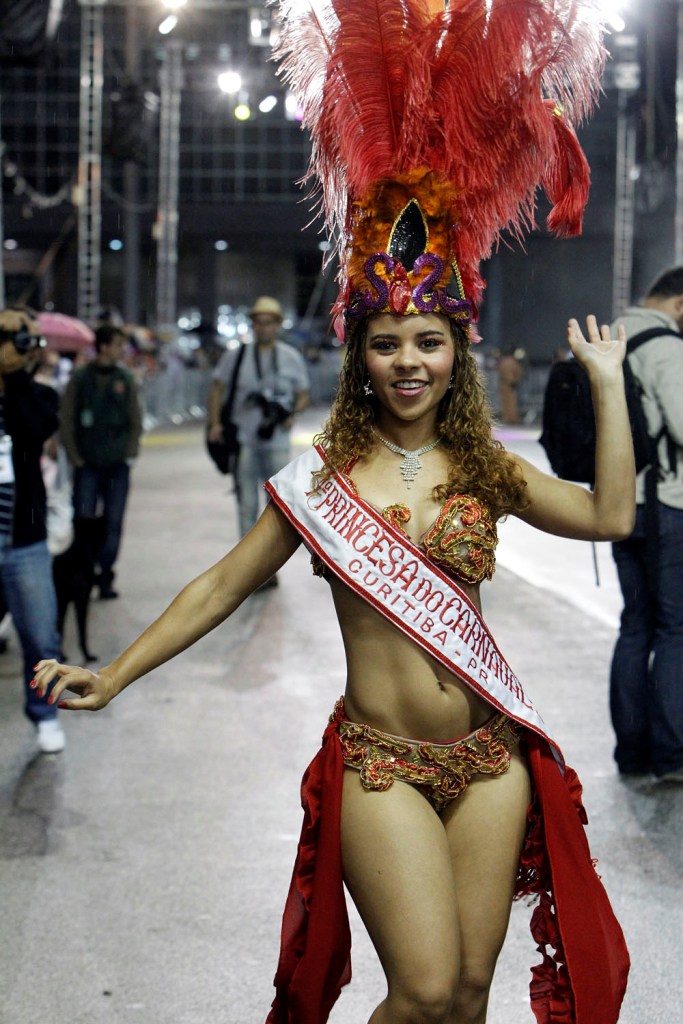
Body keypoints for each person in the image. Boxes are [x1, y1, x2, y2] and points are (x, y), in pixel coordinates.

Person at [33, 2, 632, 1021]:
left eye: (428, 340)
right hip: (379, 767)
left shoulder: (485, 469)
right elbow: (224, 583)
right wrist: (115, 673)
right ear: (358, 353)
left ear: (456, 351)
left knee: (471, 995)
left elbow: (609, 515)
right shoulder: (323, 480)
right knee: (422, 987)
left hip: (490, 761)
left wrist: (610, 388)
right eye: (387, 340)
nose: (408, 360)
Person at [609, 266, 683, 782]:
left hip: (619, 505)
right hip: (666, 508)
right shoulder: (665, 347)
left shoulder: (612, 337)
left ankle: (632, 753)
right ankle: (672, 755)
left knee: (635, 627)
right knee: (676, 630)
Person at [0, 306, 64, 754]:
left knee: (41, 636)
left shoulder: (37, 395)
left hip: (24, 539)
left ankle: (44, 715)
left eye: (24, 338)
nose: (19, 345)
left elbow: (36, 427)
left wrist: (14, 376)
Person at [207, 297, 310, 540]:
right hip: (244, 439)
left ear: (277, 325)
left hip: (277, 440)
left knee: (277, 505)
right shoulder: (237, 356)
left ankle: (268, 566)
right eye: (259, 323)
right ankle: (249, 572)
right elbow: (216, 388)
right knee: (247, 503)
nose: (264, 328)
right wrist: (215, 423)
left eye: (269, 323)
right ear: (253, 325)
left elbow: (304, 394)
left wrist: (292, 413)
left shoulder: (290, 357)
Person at [60, 323, 142, 599]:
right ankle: (83, 570)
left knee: (113, 520)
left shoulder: (125, 379)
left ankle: (106, 573)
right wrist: (74, 456)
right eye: (118, 345)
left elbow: (135, 418)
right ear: (104, 347)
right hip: (87, 464)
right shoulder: (81, 379)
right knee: (82, 518)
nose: (122, 351)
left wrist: (130, 453)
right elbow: (67, 418)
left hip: (117, 464)